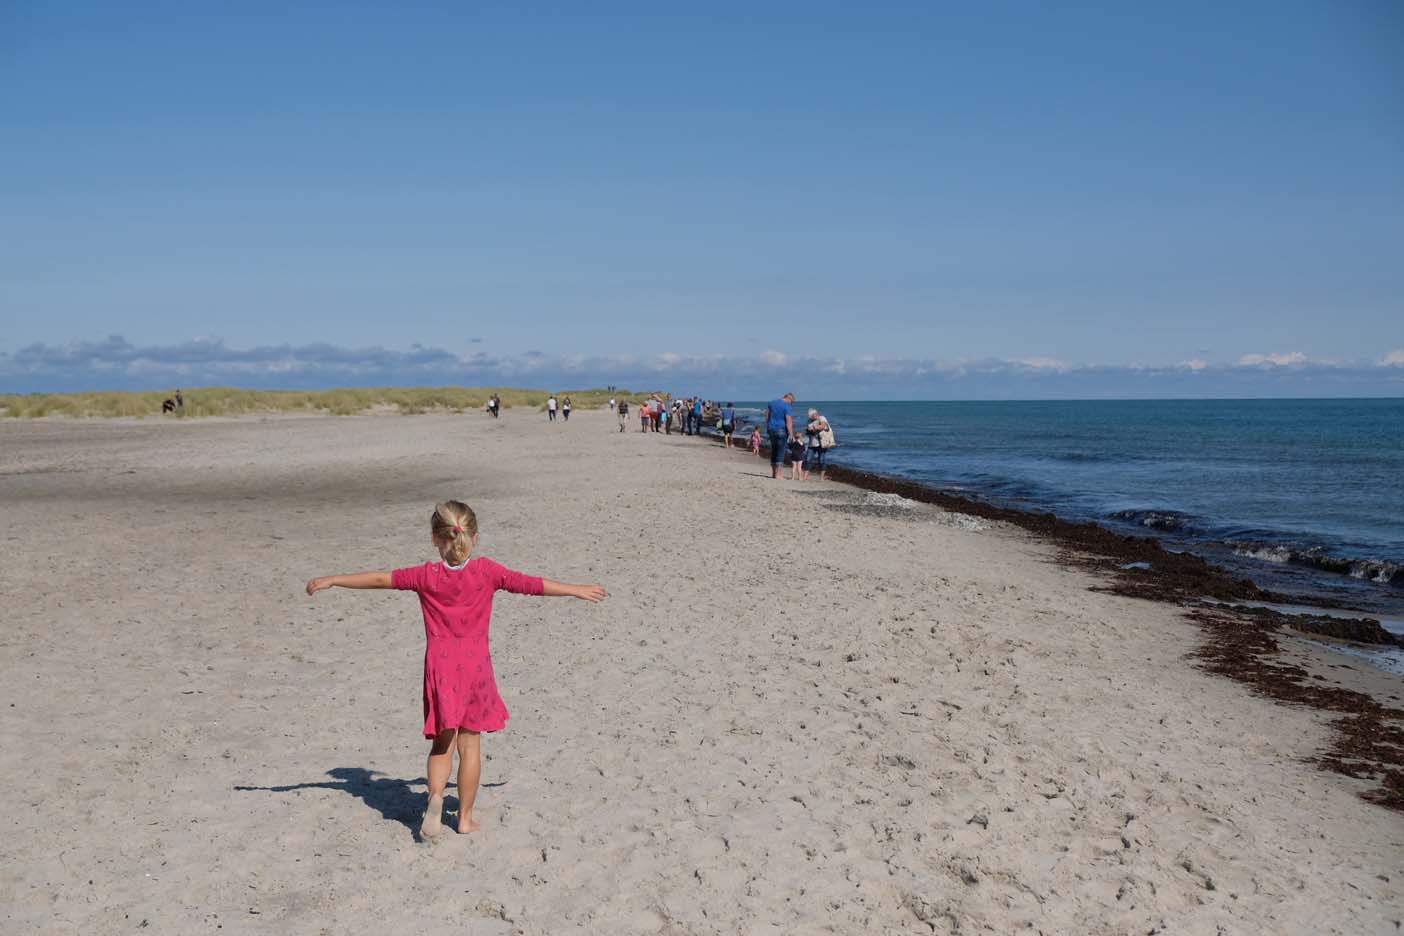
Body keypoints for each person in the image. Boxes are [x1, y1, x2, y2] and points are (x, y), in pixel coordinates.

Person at [305, 500, 606, 838]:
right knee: (470, 746)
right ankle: (464, 818)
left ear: (436, 538)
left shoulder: (424, 576)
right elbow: (531, 584)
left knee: (441, 745)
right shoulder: (487, 572)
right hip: (475, 669)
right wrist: (575, 589)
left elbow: (378, 578)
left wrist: (333, 579)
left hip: (440, 668)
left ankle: (435, 797)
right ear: (473, 538)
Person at [763, 392, 795, 480]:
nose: (791, 404)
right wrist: (791, 434)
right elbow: (788, 421)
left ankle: (774, 473)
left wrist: (768, 425)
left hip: (771, 429)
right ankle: (778, 475)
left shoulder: (772, 403)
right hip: (781, 430)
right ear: (789, 399)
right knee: (780, 452)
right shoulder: (787, 406)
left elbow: (766, 415)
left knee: (774, 450)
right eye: (791, 402)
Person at [804, 408, 834, 481]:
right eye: (809, 416)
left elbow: (823, 426)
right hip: (812, 443)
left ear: (815, 414)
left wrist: (813, 427)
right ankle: (805, 477)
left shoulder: (822, 418)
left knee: (821, 460)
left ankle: (821, 477)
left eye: (811, 416)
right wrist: (807, 430)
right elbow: (807, 430)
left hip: (822, 443)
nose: (810, 417)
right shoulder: (809, 421)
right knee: (808, 459)